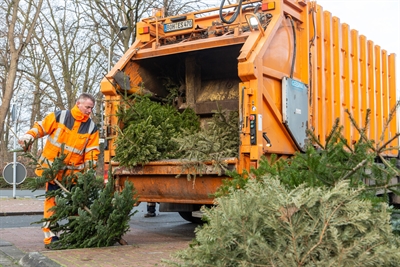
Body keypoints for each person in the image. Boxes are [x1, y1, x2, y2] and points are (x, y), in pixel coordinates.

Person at [18, 93, 100, 248]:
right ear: (78, 103)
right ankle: (51, 237)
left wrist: (89, 173)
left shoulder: (91, 128)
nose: (90, 111)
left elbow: (92, 152)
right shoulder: (59, 117)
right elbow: (40, 127)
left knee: (76, 203)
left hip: (75, 175)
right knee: (52, 203)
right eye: (87, 107)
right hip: (52, 172)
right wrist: (28, 137)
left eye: (92, 108)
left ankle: (77, 232)